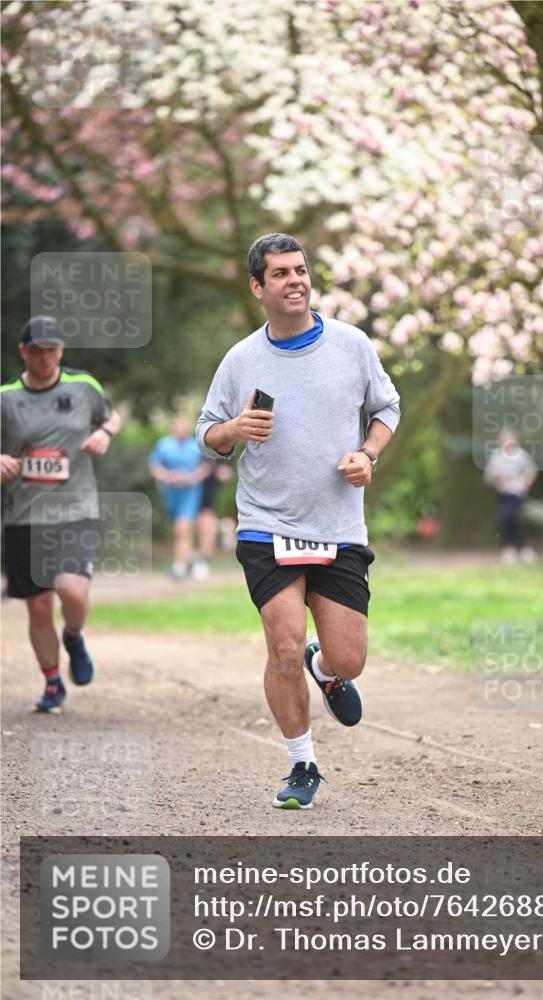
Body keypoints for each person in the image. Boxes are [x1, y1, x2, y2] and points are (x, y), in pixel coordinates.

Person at [196, 233, 400, 809]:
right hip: (266, 523)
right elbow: (206, 435)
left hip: (338, 525)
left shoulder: (351, 345)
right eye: (281, 273)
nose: (296, 281)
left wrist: (368, 453)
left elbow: (387, 406)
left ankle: (327, 668)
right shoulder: (241, 360)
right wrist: (232, 431)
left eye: (301, 270)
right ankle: (302, 764)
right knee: (282, 647)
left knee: (349, 658)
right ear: (258, 286)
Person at [0, 316, 121, 713]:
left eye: (52, 349)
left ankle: (73, 635)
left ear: (61, 350)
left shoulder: (84, 387)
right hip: (24, 514)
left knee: (72, 589)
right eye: (37, 350)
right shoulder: (6, 397)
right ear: (24, 352)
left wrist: (104, 433)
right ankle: (53, 683)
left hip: (74, 508)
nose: (45, 357)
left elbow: (111, 416)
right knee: (38, 604)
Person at [148, 417, 211, 580]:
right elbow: (154, 467)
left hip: (190, 492)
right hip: (170, 493)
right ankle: (190, 560)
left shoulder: (196, 445)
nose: (181, 429)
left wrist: (192, 478)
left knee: (182, 528)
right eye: (178, 426)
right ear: (173, 427)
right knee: (177, 530)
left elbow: (206, 466)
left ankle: (179, 566)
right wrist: (167, 476)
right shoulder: (164, 445)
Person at [484, 428, 537, 563]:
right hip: (503, 494)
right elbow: (488, 477)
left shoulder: (521, 455)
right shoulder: (496, 456)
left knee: (506, 517)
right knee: (512, 521)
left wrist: (525, 484)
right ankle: (518, 549)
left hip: (517, 493)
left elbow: (531, 471)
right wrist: (496, 477)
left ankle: (516, 548)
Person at [193, 461, 234, 578]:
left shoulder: (216, 453)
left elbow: (225, 473)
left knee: (207, 529)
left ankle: (202, 561)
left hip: (207, 500)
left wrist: (210, 471)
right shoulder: (192, 448)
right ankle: (190, 561)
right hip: (186, 496)